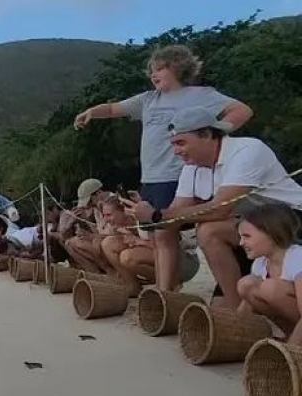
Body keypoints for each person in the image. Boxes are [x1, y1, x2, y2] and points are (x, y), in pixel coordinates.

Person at [74, 44, 253, 293]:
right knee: (158, 236)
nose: (152, 74)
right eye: (150, 71)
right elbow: (115, 108)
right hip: (152, 177)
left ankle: (166, 292)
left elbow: (242, 110)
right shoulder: (148, 99)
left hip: (181, 173)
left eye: (159, 68)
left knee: (168, 233)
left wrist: (216, 132)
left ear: (178, 67)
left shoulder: (201, 95)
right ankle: (165, 288)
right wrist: (91, 112)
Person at [128, 106, 302, 308]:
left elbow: (220, 209)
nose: (176, 151)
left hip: (292, 219)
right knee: (169, 230)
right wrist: (149, 217)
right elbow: (172, 217)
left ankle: (236, 312)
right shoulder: (191, 167)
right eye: (173, 144)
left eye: (181, 142)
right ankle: (166, 298)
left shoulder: (247, 150)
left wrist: (157, 215)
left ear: (207, 134)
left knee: (210, 230)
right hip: (252, 230)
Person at [100, 196, 199, 296]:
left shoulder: (143, 219)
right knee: (108, 244)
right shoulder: (124, 225)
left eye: (109, 215)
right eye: (104, 215)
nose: (106, 219)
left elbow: (168, 244)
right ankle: (133, 285)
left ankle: (171, 283)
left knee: (127, 257)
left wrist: (139, 241)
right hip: (167, 253)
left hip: (185, 260)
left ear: (123, 211)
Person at [237, 201, 302, 346]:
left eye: (247, 236)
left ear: (272, 234)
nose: (241, 243)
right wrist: (233, 333)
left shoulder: (298, 258)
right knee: (246, 285)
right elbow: (246, 307)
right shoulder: (261, 263)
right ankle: (292, 336)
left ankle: (294, 345)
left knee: (269, 288)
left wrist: (290, 350)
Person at [64, 179, 113, 273]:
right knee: (71, 243)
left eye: (90, 201)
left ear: (98, 193)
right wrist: (85, 220)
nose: (88, 205)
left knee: (97, 244)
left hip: (111, 243)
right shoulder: (96, 208)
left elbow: (113, 233)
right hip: (102, 239)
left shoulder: (113, 204)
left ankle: (110, 271)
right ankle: (94, 272)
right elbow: (99, 231)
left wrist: (91, 236)